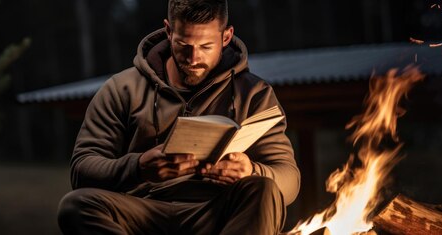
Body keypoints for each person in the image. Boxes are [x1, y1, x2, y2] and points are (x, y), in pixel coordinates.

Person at [57, 0, 300, 234]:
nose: (193, 59)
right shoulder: (122, 89)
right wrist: (138, 168)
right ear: (168, 31)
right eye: (184, 44)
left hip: (217, 215)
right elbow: (82, 169)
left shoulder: (254, 94)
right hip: (143, 212)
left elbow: (289, 181)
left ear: (226, 36)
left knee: (264, 188)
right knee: (76, 205)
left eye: (206, 47)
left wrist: (251, 171)